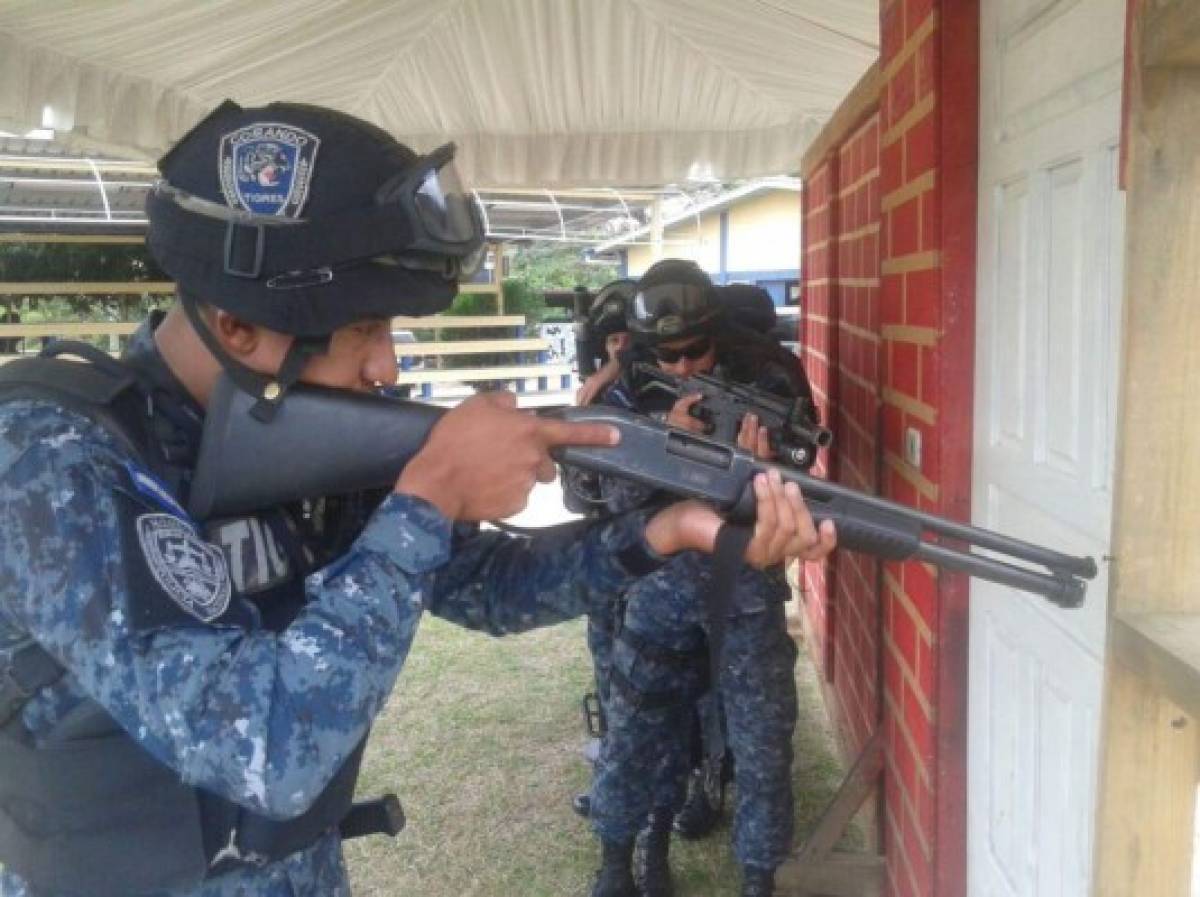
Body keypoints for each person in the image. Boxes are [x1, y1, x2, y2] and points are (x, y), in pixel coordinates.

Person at [0, 103, 835, 897]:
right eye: (366, 331)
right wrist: (428, 497)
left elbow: (486, 588)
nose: (387, 369)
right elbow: (263, 745)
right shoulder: (52, 458)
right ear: (238, 324)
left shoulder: (289, 428)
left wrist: (664, 529)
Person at [588, 259, 827, 897]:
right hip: (656, 591)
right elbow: (605, 499)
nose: (684, 367)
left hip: (744, 591)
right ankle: (626, 861)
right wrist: (663, 446)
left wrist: (761, 472)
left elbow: (800, 496)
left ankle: (760, 880)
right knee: (637, 732)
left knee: (763, 747)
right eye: (668, 355)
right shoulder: (628, 390)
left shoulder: (766, 382)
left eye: (695, 350)